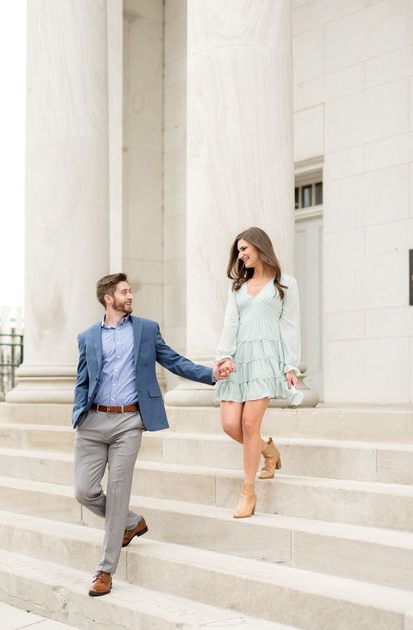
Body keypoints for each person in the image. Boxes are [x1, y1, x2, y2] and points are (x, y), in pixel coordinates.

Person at [72, 273, 229, 597]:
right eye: (124, 292)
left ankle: (105, 570)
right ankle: (130, 522)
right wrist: (78, 414)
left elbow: (173, 361)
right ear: (108, 298)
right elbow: (83, 379)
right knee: (84, 492)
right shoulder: (87, 336)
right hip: (92, 424)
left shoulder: (145, 329)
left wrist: (211, 374)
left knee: (117, 493)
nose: (130, 296)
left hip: (129, 422)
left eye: (130, 291)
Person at [215, 227, 303, 518]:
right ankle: (268, 450)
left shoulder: (285, 284)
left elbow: (289, 327)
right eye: (238, 251)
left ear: (259, 246)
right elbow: (230, 324)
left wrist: (291, 366)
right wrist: (223, 356)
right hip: (239, 359)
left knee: (250, 425)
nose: (240, 255)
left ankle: (248, 493)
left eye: (243, 249)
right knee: (230, 424)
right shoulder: (237, 287)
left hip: (266, 358)